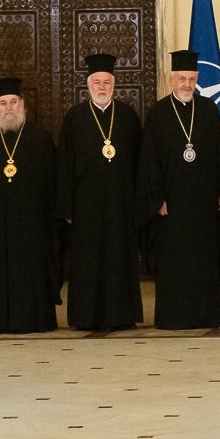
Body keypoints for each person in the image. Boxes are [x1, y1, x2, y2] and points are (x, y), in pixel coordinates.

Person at [139, 50, 220, 329]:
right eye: (181, 78)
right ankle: (174, 317)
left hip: (204, 204)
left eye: (191, 79)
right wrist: (157, 198)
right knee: (175, 264)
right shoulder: (158, 113)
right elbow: (149, 160)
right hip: (171, 206)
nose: (186, 84)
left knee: (203, 263)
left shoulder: (208, 110)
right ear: (171, 80)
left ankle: (207, 315)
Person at [56, 53, 144, 330]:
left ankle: (121, 315)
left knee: (119, 259)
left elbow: (141, 162)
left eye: (107, 82)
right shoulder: (75, 117)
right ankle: (86, 316)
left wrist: (139, 202)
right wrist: (67, 208)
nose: (102, 87)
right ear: (88, 84)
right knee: (88, 262)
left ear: (114, 84)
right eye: (97, 82)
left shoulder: (128, 116)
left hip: (121, 203)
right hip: (86, 206)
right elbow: (64, 166)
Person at [0, 77, 60, 333]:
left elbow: (52, 183)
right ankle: (0, 320)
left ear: (23, 104)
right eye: (3, 103)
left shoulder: (40, 139)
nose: (9, 107)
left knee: (33, 272)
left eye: (13, 102)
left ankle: (37, 320)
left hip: (33, 225)